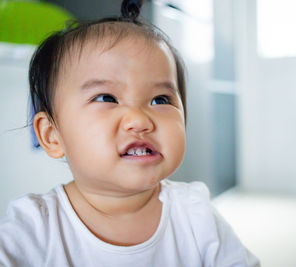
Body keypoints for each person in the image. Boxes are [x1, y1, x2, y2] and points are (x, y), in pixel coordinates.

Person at [0, 0, 260, 266]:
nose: (139, 119)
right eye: (106, 97)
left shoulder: (194, 213)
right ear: (52, 135)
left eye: (160, 100)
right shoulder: (34, 227)